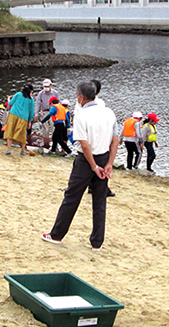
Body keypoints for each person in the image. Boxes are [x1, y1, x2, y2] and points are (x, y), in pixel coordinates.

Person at [42, 81, 119, 250]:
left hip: (86, 161)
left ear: (82, 97)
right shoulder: (109, 112)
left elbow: (84, 145)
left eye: (77, 95)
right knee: (99, 201)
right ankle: (97, 242)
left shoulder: (82, 115)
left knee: (72, 197)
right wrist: (109, 164)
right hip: (104, 157)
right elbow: (115, 139)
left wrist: (93, 167)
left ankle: (56, 235)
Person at [4, 84, 34, 156]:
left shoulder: (18, 94)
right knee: (22, 133)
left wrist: (8, 99)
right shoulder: (31, 99)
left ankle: (9, 149)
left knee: (10, 131)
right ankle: (22, 151)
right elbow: (31, 111)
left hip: (13, 114)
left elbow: (10, 103)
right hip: (24, 118)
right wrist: (30, 121)